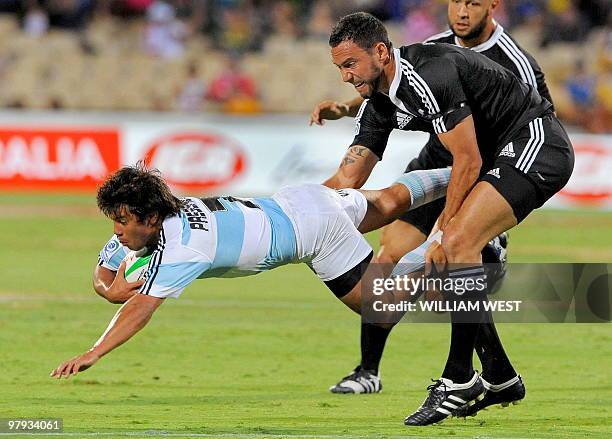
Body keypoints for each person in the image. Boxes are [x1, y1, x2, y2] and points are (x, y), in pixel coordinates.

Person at [324, 12, 574, 425]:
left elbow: (468, 158)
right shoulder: (380, 100)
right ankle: (499, 374)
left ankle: (459, 379)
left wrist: (443, 230)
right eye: (340, 68)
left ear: (381, 53)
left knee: (454, 245)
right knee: (438, 261)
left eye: (350, 65)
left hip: (535, 144)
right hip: (483, 159)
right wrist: (291, 212)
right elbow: (349, 177)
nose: (345, 77)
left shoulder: (429, 73)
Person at [50, 163, 451, 380]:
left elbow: (140, 309)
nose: (117, 231)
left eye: (122, 221)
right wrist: (107, 290)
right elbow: (106, 267)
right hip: (301, 199)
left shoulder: (183, 247)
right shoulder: (160, 213)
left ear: (151, 218)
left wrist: (94, 351)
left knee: (381, 308)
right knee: (391, 200)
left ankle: (439, 251)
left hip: (312, 233)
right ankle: (463, 173)